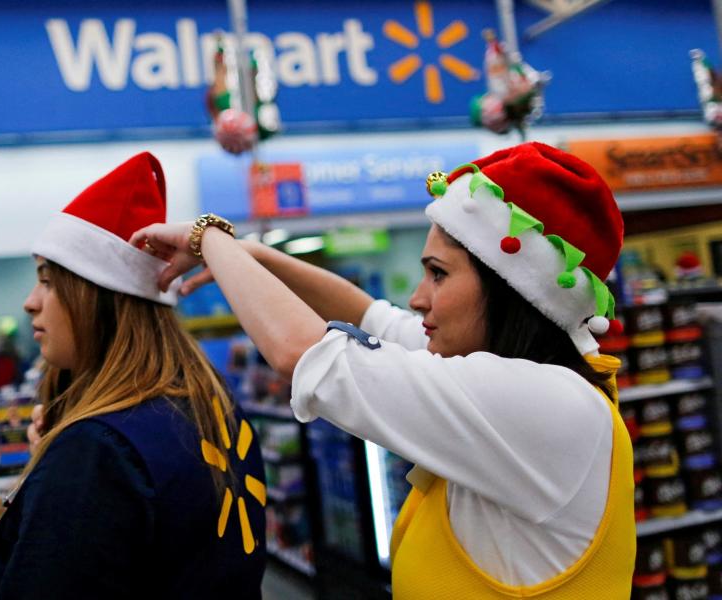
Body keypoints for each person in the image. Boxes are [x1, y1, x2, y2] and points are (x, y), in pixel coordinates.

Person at [132, 142, 635, 598]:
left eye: (438, 274)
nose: (418, 299)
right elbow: (370, 316)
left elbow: (305, 354)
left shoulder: (548, 406)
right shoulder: (512, 373)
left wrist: (210, 238)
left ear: (510, 291)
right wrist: (257, 256)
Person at [0, 152, 267, 599]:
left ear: (97, 297)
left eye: (48, 280)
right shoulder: (212, 405)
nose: (31, 301)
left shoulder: (97, 451)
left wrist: (60, 475)